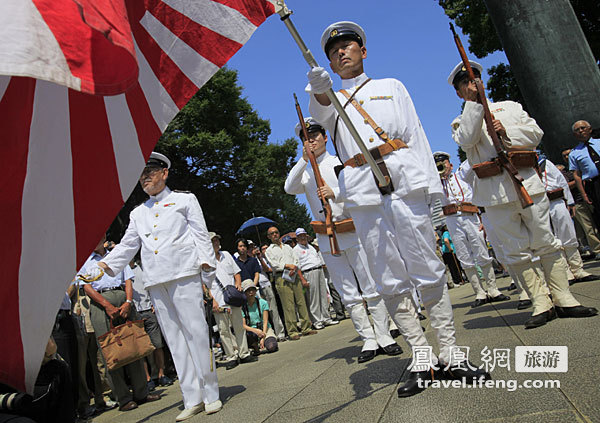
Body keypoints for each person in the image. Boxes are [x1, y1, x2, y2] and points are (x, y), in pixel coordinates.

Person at [306, 21, 488, 396]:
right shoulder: (330, 100)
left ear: (363, 51)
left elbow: (415, 134)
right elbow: (322, 112)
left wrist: (431, 189)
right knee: (388, 276)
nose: (341, 52)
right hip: (362, 192)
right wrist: (322, 90)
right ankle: (421, 356)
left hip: (404, 183)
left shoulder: (391, 86)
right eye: (334, 50)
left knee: (428, 267)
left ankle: (451, 352)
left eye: (348, 46)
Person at [448, 61, 597, 329]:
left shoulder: (510, 108)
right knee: (516, 251)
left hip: (526, 182)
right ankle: (541, 301)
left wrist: (507, 132)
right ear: (459, 92)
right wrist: (474, 105)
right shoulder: (461, 120)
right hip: (494, 193)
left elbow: (535, 134)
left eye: (475, 80)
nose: (472, 85)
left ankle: (564, 297)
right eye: (465, 84)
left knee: (547, 242)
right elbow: (467, 139)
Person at [85, 152, 221, 421]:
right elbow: (128, 246)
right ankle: (191, 397)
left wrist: (206, 273)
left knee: (196, 334)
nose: (145, 177)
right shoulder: (138, 212)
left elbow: (200, 235)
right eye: (141, 173)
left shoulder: (184, 200)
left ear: (165, 172)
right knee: (174, 340)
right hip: (157, 281)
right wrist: (100, 267)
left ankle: (211, 393)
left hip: (184, 274)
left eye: (150, 171)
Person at [284, 117, 402, 362]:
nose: (311, 141)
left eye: (314, 136)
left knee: (370, 287)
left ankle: (383, 335)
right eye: (306, 138)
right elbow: (289, 187)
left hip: (352, 231)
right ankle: (367, 338)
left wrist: (334, 193)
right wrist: (304, 160)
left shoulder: (340, 163)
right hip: (328, 239)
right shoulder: (305, 174)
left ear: (325, 137)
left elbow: (360, 193)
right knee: (348, 292)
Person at [79, 236, 160, 412]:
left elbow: (128, 280)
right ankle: (123, 398)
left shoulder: (116, 255)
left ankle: (141, 392)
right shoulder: (85, 260)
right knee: (110, 350)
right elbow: (86, 286)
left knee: (134, 344)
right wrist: (106, 305)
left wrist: (129, 301)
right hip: (101, 303)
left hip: (122, 297)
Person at [434, 151, 510, 307]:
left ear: (450, 164)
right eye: (437, 164)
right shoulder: (435, 184)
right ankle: (479, 292)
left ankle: (493, 289)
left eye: (443, 163)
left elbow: (471, 158)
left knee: (481, 251)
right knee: (463, 255)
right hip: (452, 220)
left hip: (470, 216)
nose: (441, 166)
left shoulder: (461, 175)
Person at [538, 157, 598, 284]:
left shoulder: (545, 162)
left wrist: (569, 201)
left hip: (557, 200)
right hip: (538, 205)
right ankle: (566, 272)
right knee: (552, 239)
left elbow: (561, 181)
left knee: (568, 234)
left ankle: (578, 269)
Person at [208, 232, 257, 370]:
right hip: (218, 299)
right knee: (223, 330)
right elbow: (204, 284)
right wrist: (213, 301)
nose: (216, 243)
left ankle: (244, 353)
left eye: (217, 240)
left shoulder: (227, 255)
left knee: (238, 326)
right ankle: (231, 356)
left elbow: (237, 272)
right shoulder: (204, 260)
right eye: (213, 241)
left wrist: (238, 284)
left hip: (233, 297)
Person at [129, 257, 174, 391]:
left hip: (148, 309)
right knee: (142, 349)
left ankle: (161, 374)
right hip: (134, 313)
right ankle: (148, 379)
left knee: (157, 344)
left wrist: (154, 303)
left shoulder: (141, 268)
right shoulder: (122, 272)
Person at [265, 226, 317, 340]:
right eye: (272, 234)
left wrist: (294, 267)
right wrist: (287, 266)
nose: (275, 235)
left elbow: (296, 259)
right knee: (288, 305)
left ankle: (306, 327)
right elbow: (274, 264)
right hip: (281, 276)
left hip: (294, 275)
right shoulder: (269, 250)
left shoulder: (287, 247)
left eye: (276, 232)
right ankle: (292, 331)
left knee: (301, 301)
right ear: (269, 237)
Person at [293, 228, 339, 329]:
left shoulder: (311, 247)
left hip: (319, 269)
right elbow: (297, 266)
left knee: (323, 295)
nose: (302, 237)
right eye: (300, 236)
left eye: (304, 235)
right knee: (313, 298)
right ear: (297, 238)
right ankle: (317, 321)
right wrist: (302, 279)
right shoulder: (296, 250)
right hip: (308, 272)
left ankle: (326, 318)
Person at [561, 148, 600, 260]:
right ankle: (597, 249)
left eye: (568, 154)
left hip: (591, 198)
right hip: (577, 202)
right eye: (564, 156)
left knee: (595, 223)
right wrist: (578, 180)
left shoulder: (582, 167)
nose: (567, 157)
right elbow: (565, 186)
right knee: (588, 227)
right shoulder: (565, 172)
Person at [251, 243, 287, 341]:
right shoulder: (248, 261)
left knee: (273, 310)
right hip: (255, 288)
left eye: (254, 247)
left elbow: (267, 269)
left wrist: (260, 258)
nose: (253, 250)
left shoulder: (262, 259)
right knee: (260, 313)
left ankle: (280, 333)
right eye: (250, 248)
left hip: (266, 284)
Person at [240, 280, 279, 354]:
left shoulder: (263, 303)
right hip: (251, 331)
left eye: (252, 289)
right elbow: (243, 325)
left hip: (265, 329)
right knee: (249, 336)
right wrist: (255, 331)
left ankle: (264, 342)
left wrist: (263, 337)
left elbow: (265, 321)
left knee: (271, 346)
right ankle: (254, 346)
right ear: (244, 293)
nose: (251, 292)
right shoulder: (242, 307)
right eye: (248, 290)